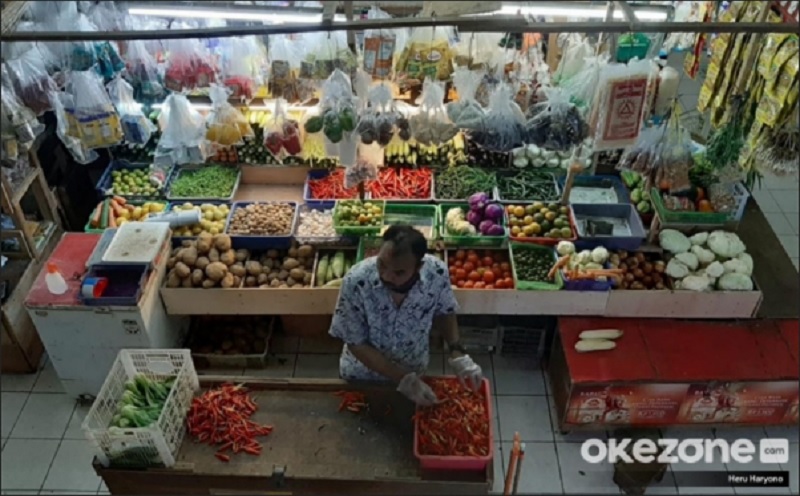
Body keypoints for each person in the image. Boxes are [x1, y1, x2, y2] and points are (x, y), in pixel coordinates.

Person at [329, 225, 482, 406]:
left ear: (419, 266)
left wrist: (457, 351)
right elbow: (356, 342)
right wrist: (403, 379)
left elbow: (445, 311)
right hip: (363, 375)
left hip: (413, 368)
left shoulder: (436, 274)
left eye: (399, 272)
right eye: (382, 264)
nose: (386, 276)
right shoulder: (356, 281)